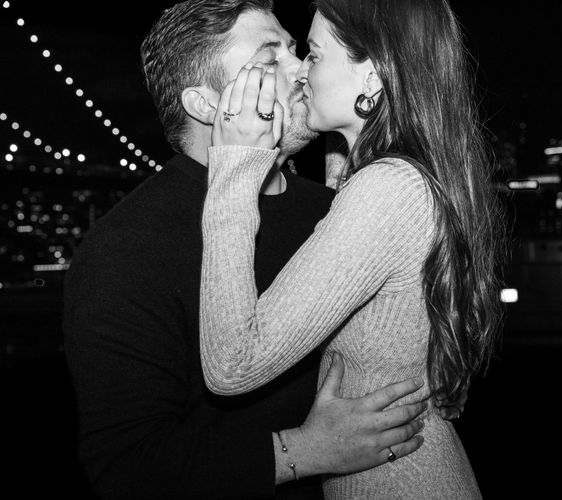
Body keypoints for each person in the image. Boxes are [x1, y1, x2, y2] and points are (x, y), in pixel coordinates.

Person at [62, 1, 434, 498]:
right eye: (269, 60)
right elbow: (127, 466)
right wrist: (307, 450)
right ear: (207, 105)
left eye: (297, 50)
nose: (301, 70)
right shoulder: (126, 247)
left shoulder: (338, 209)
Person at [199, 0, 506, 497]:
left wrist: (233, 166)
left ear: (373, 74)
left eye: (314, 55)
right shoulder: (394, 172)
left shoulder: (386, 190)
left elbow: (232, 364)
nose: (300, 75)